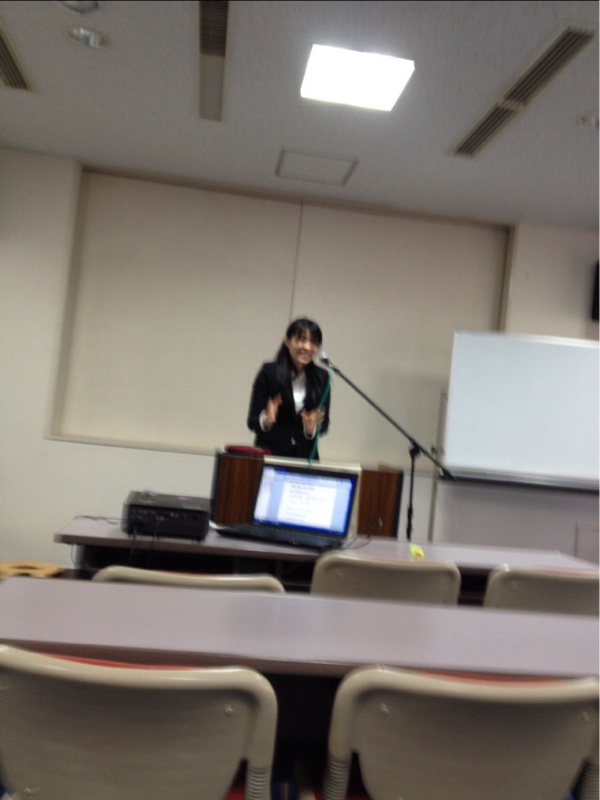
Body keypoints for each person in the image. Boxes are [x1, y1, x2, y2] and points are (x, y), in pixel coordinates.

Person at [247, 318, 331, 459]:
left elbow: (324, 424)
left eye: (313, 342)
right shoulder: (269, 372)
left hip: (305, 457)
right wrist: (266, 419)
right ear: (287, 341)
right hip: (271, 453)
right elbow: (252, 421)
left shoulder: (322, 377)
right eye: (302, 340)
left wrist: (310, 429)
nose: (307, 347)